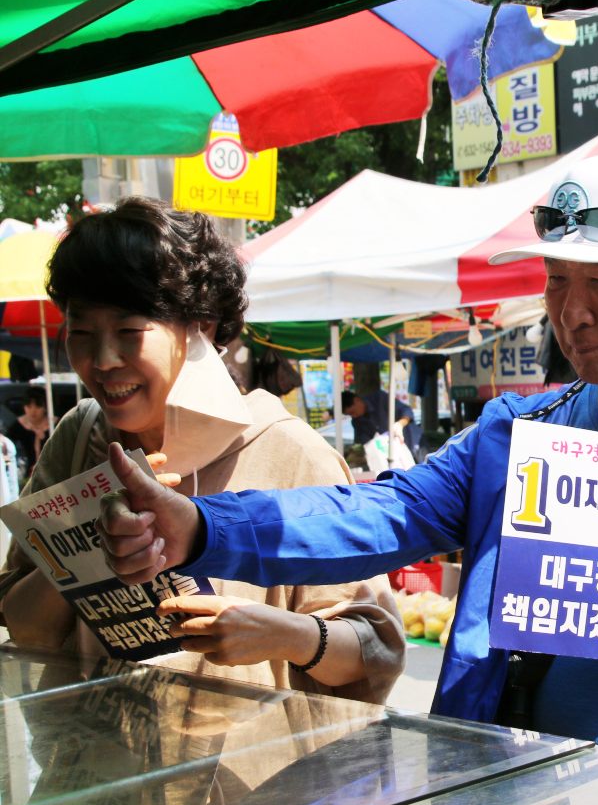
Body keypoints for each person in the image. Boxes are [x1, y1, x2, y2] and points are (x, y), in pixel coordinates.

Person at [94, 153, 598, 786]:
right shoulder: (515, 437)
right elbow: (372, 515)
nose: (571, 311)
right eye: (557, 280)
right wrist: (199, 526)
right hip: (535, 802)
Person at [0, 197, 405, 705]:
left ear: (202, 326)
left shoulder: (291, 452)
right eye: (81, 333)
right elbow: (22, 624)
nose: (101, 361)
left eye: (129, 332)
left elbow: (378, 651)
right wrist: (86, 549)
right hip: (93, 773)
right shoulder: (80, 439)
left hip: (259, 778)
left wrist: (285, 635)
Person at [341, 388, 420, 456]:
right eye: (350, 415)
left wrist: (400, 424)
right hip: (392, 455)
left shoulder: (379, 398)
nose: (354, 416)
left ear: (357, 400)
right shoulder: (357, 422)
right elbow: (364, 444)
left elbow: (406, 410)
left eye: (352, 412)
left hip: (413, 442)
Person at [6, 386, 50, 479]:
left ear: (46, 407)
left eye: (38, 406)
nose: (33, 411)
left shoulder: (54, 425)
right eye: (29, 406)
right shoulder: (17, 427)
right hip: (24, 476)